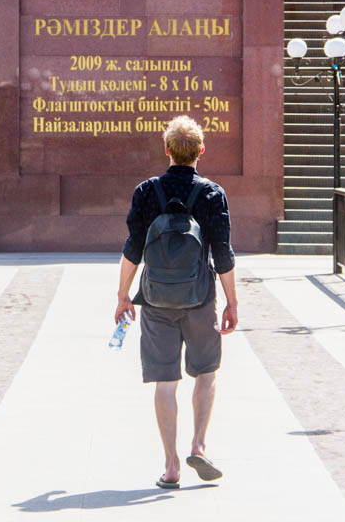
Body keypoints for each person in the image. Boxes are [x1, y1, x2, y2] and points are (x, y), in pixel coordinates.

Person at [115, 115, 238, 491]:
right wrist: (232, 301)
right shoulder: (213, 193)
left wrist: (123, 295)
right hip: (200, 298)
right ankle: (199, 445)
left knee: (165, 382)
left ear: (167, 149)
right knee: (206, 372)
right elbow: (223, 254)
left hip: (155, 300)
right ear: (201, 150)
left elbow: (133, 249)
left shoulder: (146, 191)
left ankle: (171, 466)